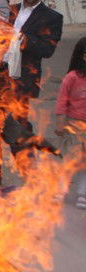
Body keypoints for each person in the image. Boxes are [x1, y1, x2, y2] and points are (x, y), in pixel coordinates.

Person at [0, 0, 64, 188]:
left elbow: (47, 49)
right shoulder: (7, 8)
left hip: (20, 86)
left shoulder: (52, 18)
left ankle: (32, 182)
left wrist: (21, 37)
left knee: (19, 135)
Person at [55, 37, 86, 209]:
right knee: (69, 161)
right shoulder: (72, 77)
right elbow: (61, 100)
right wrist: (60, 121)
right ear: (82, 56)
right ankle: (61, 190)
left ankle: (83, 194)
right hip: (73, 126)